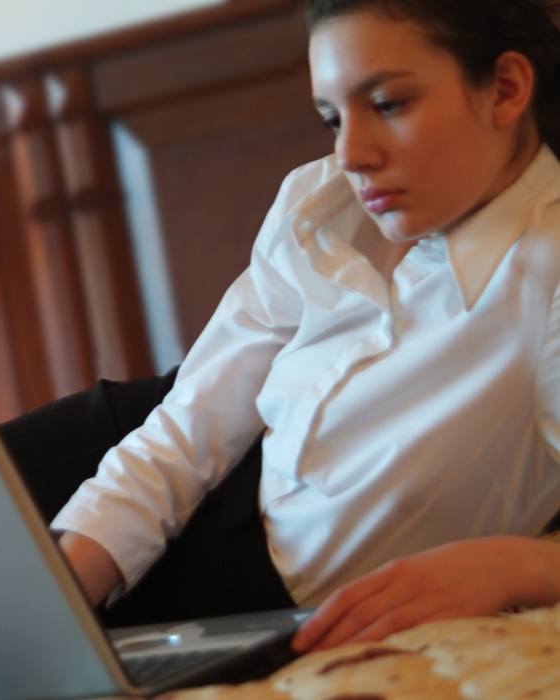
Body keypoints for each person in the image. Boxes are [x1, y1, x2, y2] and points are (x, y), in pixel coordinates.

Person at [53, 0, 560, 656]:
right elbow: (183, 431)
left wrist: (516, 563)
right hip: (167, 450)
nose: (349, 153)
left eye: (388, 104)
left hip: (266, 593)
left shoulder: (546, 275)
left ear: (507, 89)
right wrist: (58, 598)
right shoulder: (315, 204)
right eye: (330, 117)